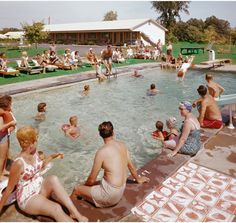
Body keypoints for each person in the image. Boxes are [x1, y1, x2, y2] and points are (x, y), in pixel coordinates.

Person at [0, 125, 88, 221]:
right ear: (31, 142)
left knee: (53, 179)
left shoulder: (35, 152)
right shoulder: (19, 163)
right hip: (28, 198)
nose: (37, 141)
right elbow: (9, 189)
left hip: (39, 186)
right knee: (56, 208)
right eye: (36, 139)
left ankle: (75, 213)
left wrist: (53, 156)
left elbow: (40, 166)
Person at [70, 121, 150, 208]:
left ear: (100, 135)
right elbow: (130, 166)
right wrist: (138, 179)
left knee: (76, 189)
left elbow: (91, 180)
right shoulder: (122, 145)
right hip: (120, 191)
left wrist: (82, 187)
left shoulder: (102, 152)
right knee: (96, 183)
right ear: (113, 132)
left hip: (109, 196)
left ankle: (71, 213)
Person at [0, 95, 17, 178]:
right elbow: (0, 128)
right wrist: (10, 124)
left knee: (5, 154)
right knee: (2, 157)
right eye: (10, 104)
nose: (11, 106)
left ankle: (3, 170)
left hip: (5, 135)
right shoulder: (1, 114)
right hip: (2, 137)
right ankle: (0, 174)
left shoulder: (3, 112)